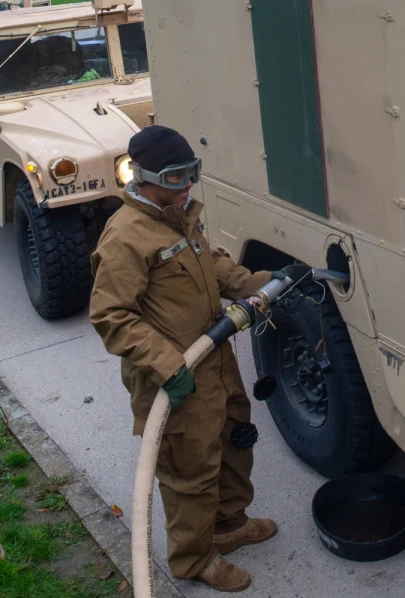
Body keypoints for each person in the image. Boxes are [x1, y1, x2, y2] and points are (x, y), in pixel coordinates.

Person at [89, 126, 280, 593]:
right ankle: (193, 559)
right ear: (144, 176)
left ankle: (228, 525)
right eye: (175, 177)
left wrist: (261, 284)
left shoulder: (180, 215)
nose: (186, 185)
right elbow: (110, 314)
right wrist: (169, 364)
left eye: (191, 173)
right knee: (189, 472)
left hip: (214, 361)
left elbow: (211, 264)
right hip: (173, 378)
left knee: (234, 442)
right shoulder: (125, 236)